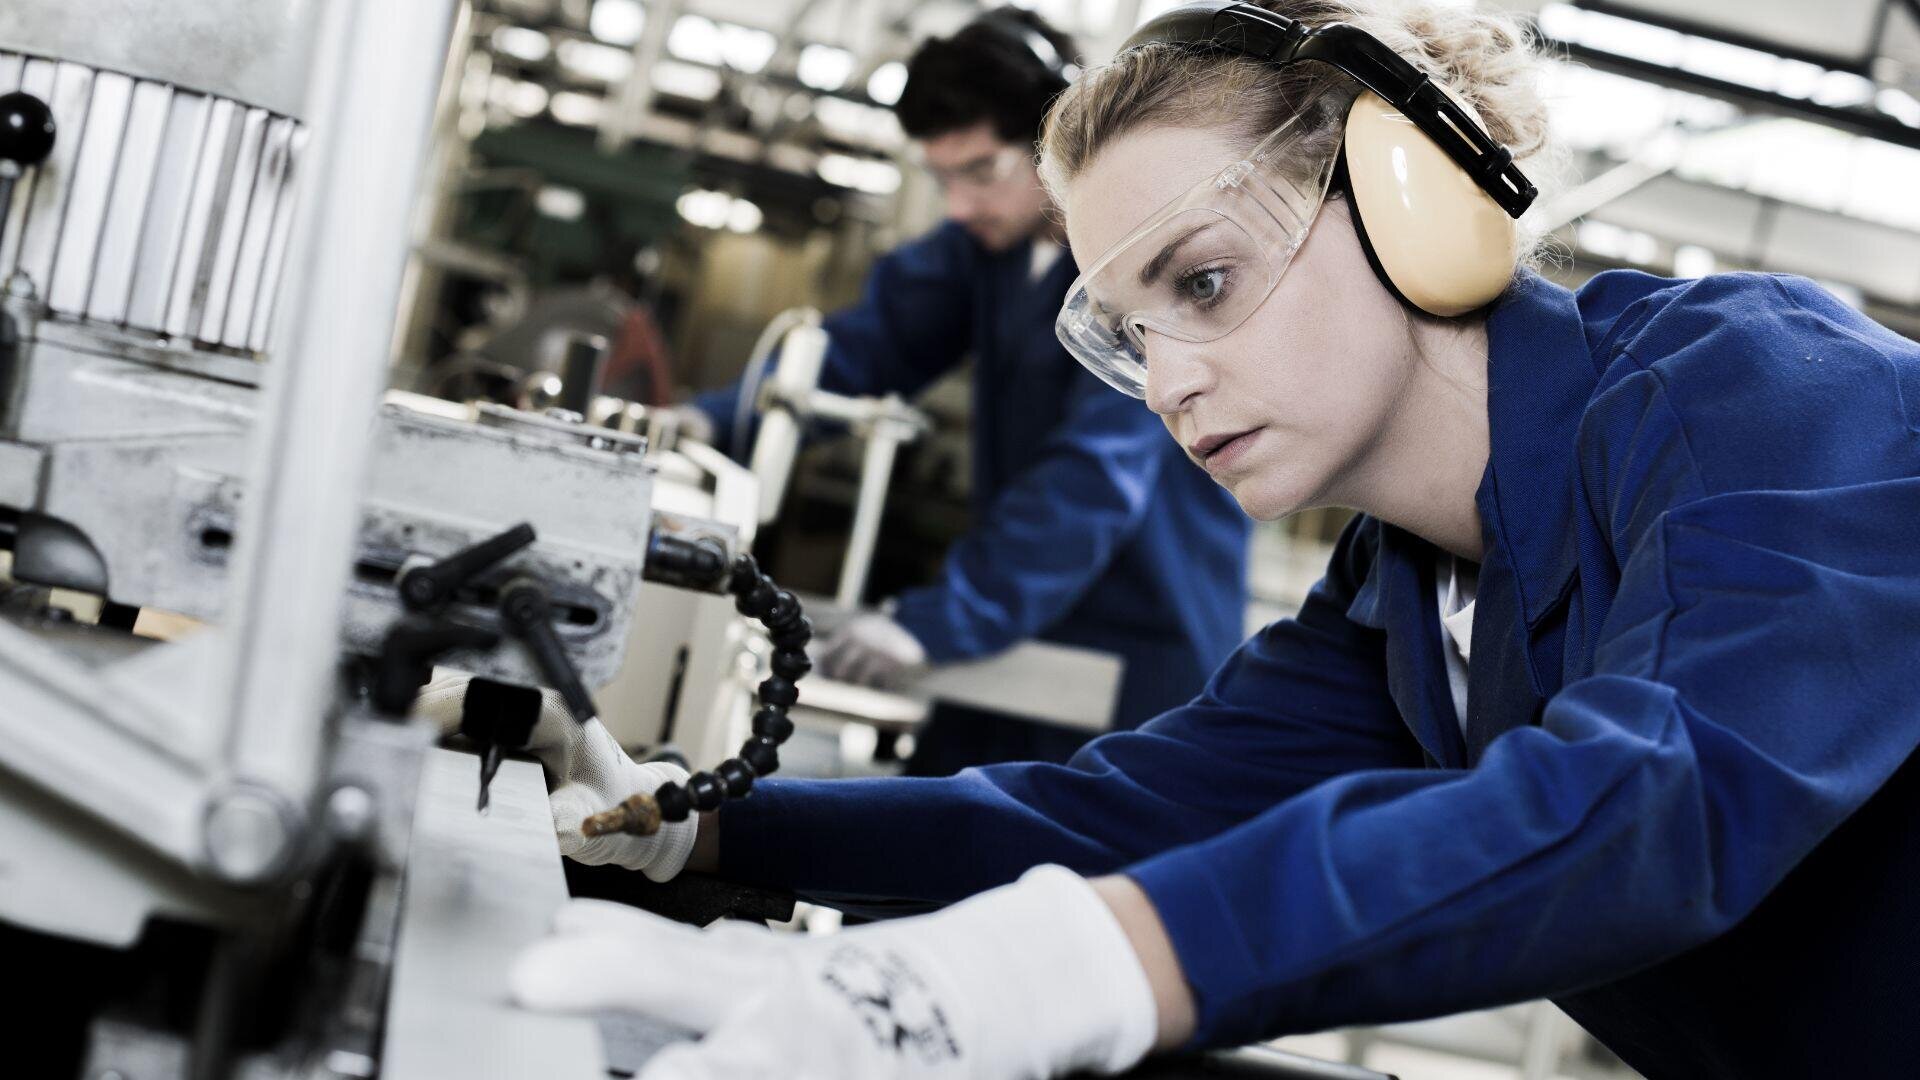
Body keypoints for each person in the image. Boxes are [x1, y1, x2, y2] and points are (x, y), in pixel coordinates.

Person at [487, 1, 1920, 1077]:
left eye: (1207, 281)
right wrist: (702, 827)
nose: (1169, 382)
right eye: (1130, 335)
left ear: (1417, 195)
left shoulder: (1760, 393)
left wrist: (1051, 970)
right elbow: (1107, 815)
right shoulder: (1406, 600)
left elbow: (1656, 799)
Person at [685, 7, 1253, 773]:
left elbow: (1091, 481)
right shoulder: (984, 254)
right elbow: (863, 349)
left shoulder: (1143, 270)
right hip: (1007, 621)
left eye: (980, 172)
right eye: (941, 177)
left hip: (1132, 648)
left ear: (1056, 139)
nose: (959, 205)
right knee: (925, 841)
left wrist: (942, 622)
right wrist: (705, 424)